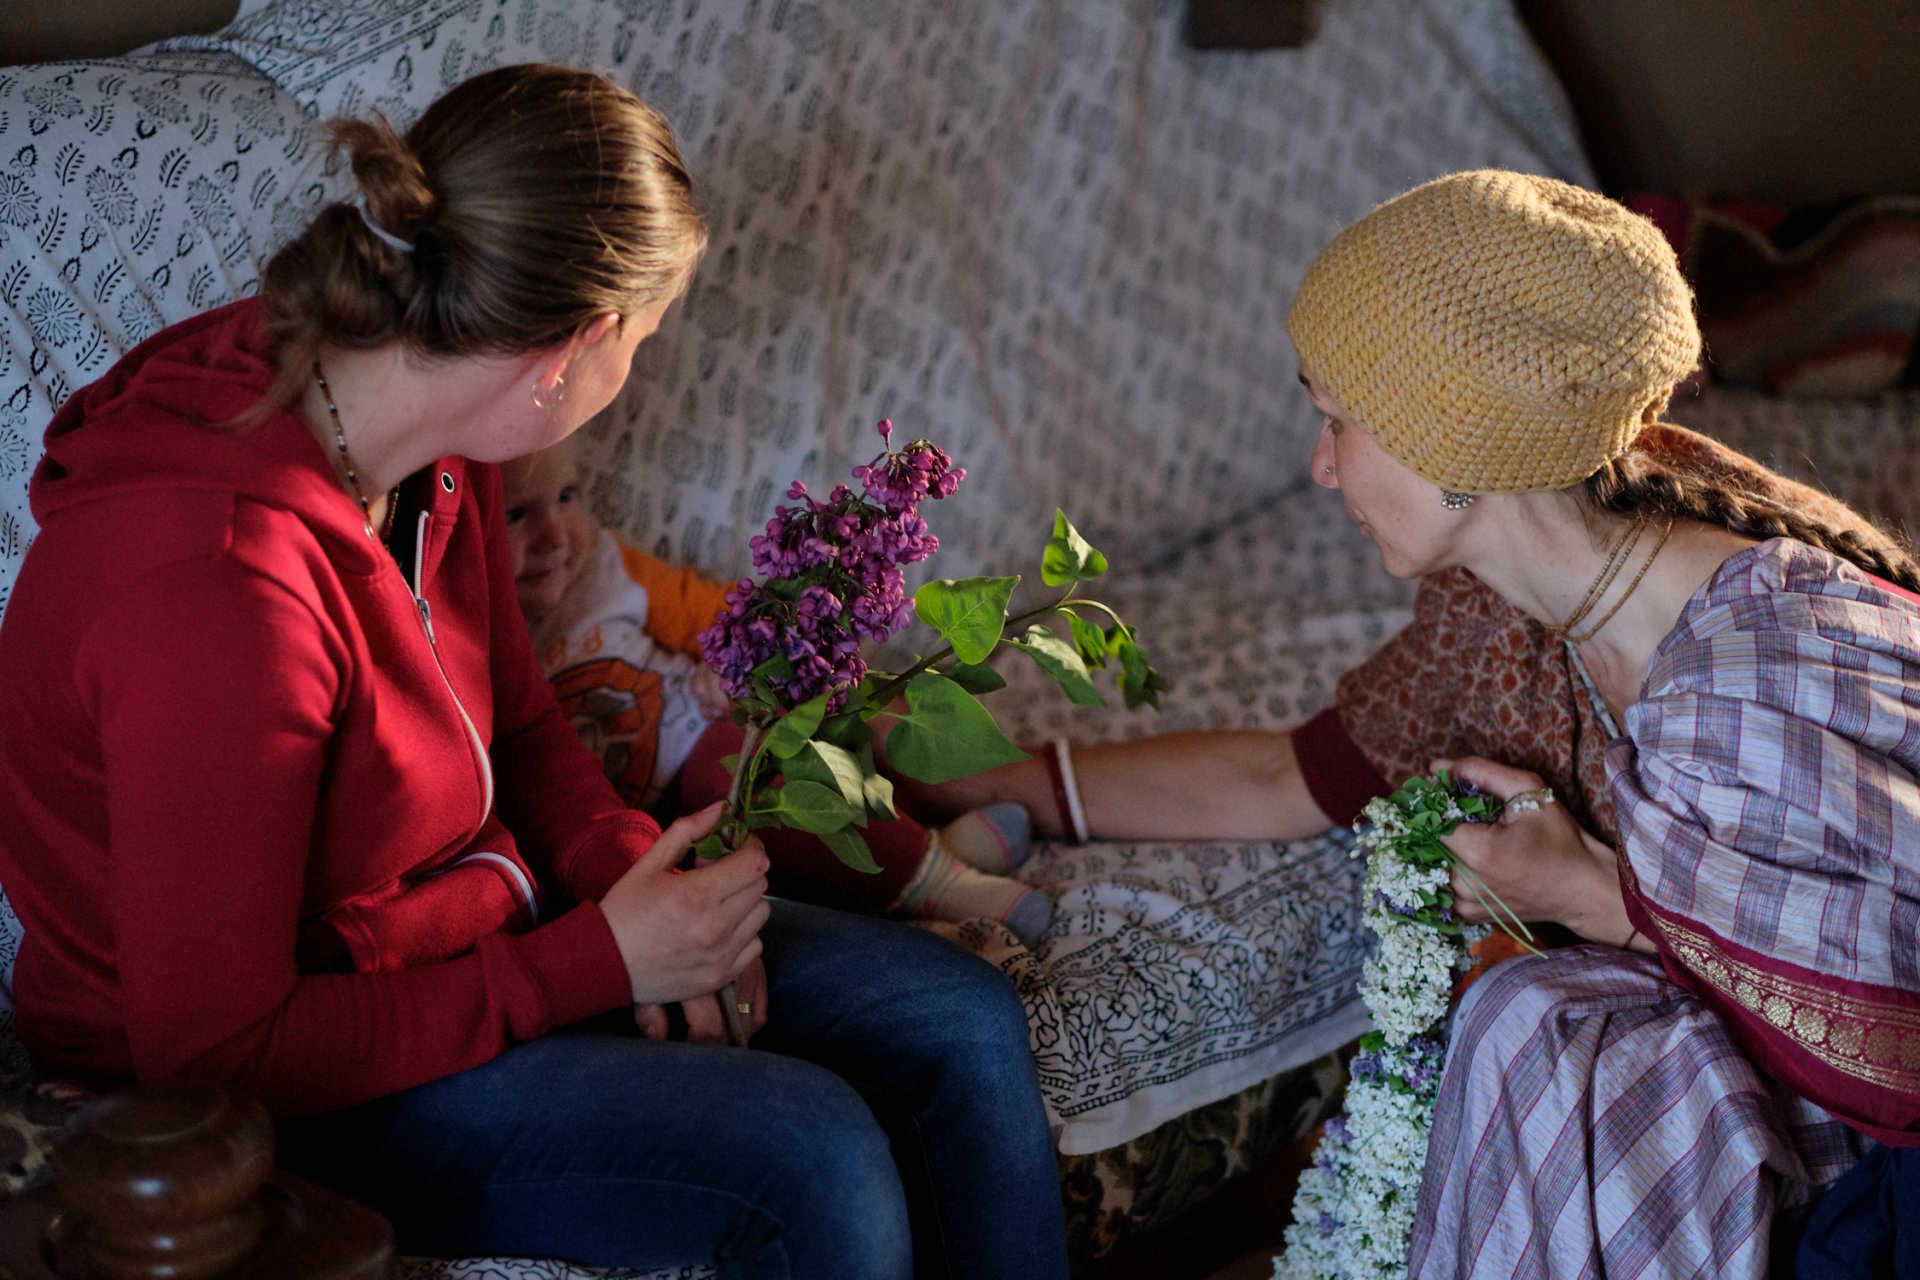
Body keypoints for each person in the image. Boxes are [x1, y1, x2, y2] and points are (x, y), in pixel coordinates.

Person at [0, 64, 1070, 1279]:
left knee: (955, 1018)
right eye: (645, 341)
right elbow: (218, 1044)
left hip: (454, 937)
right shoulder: (216, 590)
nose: (635, 372)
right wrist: (600, 962)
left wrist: (644, 884)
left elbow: (514, 724)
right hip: (251, 1089)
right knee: (811, 1154)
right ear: (575, 347)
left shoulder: (431, 432)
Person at [907, 170, 1920, 1277]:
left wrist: (1592, 894)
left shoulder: (1759, 667)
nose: (1320, 464)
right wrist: (1006, 779)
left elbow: (1893, 1051)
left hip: (1874, 1179)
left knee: (1537, 1020)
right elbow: (1294, 775)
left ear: (1455, 446)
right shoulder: (1492, 618)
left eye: (1336, 420)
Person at [501, 436, 1054, 945]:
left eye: (567, 497)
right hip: (643, 841)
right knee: (758, 869)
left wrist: (724, 662)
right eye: (516, 514)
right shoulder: (481, 640)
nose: (555, 536)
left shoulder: (606, 570)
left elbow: (717, 614)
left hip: (712, 741)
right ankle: (929, 875)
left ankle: (935, 871)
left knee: (778, 759)